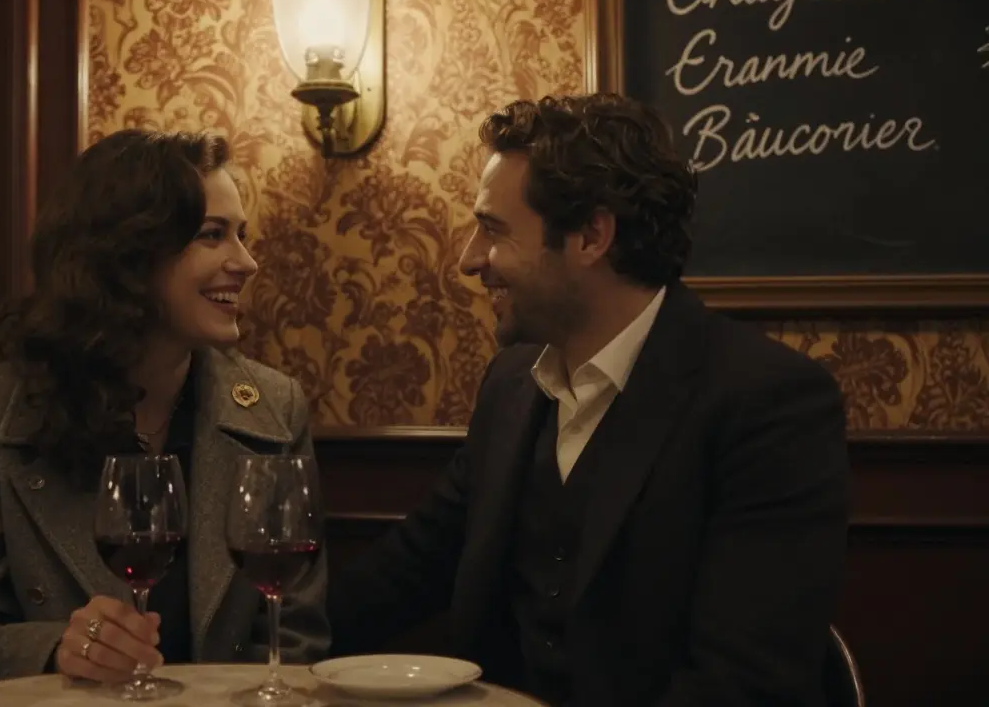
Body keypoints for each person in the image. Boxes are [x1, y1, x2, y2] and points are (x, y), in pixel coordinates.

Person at [327, 94, 851, 706]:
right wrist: (250, 647)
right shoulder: (511, 386)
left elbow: (741, 686)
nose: (470, 261)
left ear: (591, 236)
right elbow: (410, 568)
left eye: (493, 230)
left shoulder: (770, 404)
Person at [0, 129, 329, 694]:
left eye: (242, 236)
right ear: (128, 254)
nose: (247, 262)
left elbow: (296, 641)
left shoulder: (276, 409)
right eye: (212, 235)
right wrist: (59, 648)